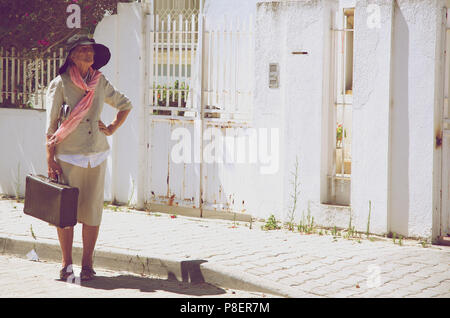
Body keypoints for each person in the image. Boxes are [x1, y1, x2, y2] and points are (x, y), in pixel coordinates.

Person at [45, 34, 132, 281]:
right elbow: (51, 126)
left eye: (90, 50)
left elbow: (125, 104)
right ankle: (66, 264)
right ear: (72, 56)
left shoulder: (99, 81)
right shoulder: (60, 84)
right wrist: (50, 158)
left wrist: (113, 127)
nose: (88, 54)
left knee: (92, 211)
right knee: (66, 213)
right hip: (69, 156)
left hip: (97, 154)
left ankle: (87, 264)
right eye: (82, 50)